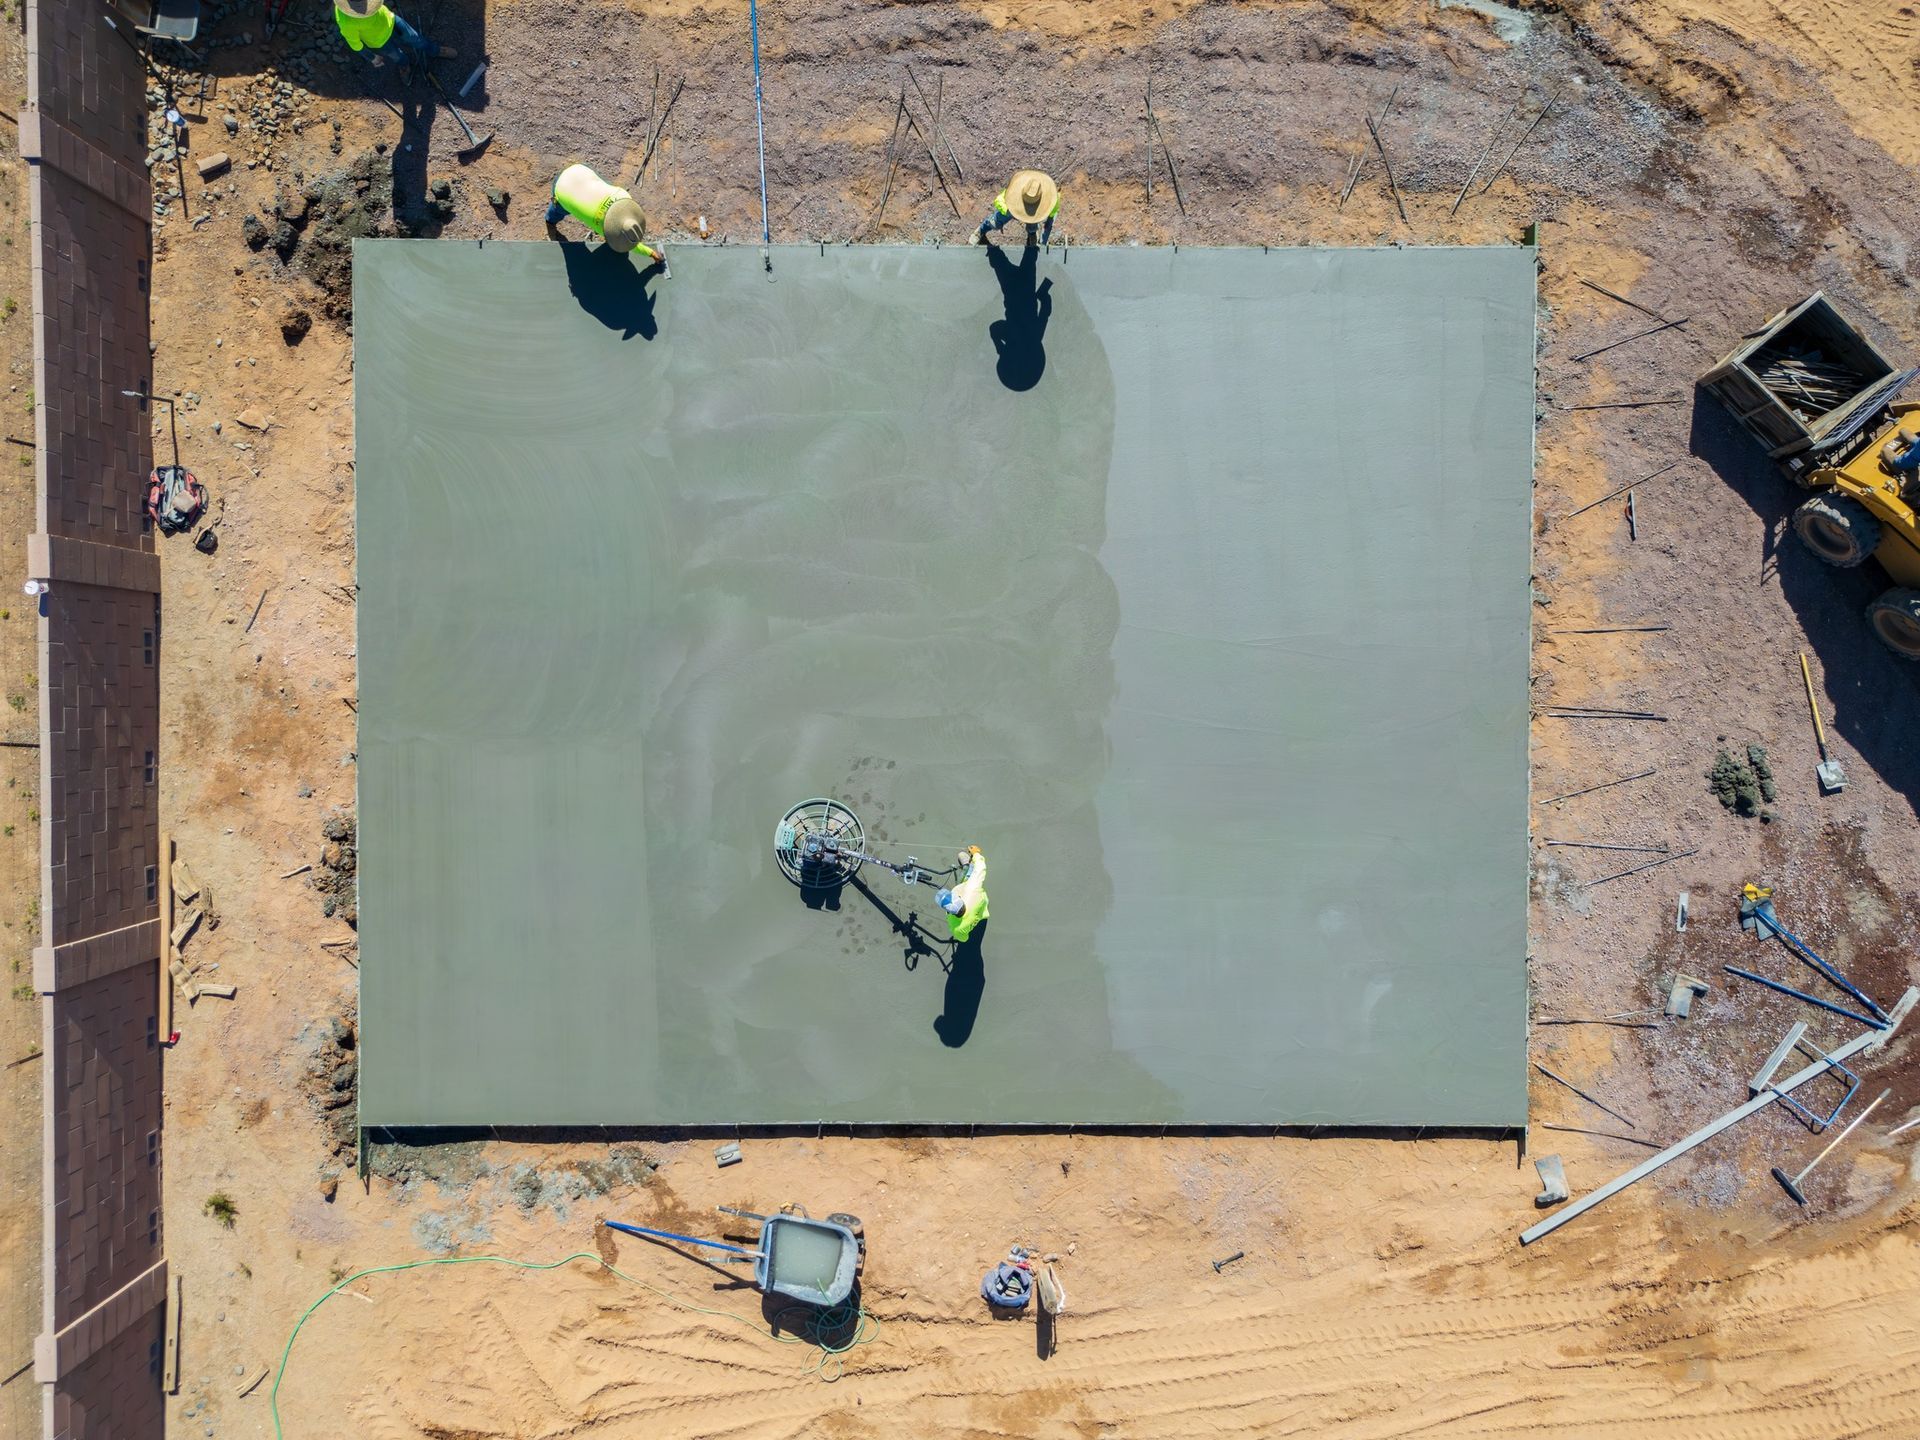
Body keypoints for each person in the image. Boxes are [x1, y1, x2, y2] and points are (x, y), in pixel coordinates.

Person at [545, 164, 670, 274]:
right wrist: (652, 253)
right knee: (557, 210)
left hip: (581, 171)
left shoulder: (625, 197)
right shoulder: (601, 226)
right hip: (562, 187)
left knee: (602, 184)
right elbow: (634, 247)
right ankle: (550, 222)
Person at [332, 0, 452, 70]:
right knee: (397, 56)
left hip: (391, 20)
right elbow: (355, 44)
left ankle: (435, 50)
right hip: (380, 41)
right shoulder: (346, 22)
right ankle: (405, 67)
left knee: (416, 38)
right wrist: (372, 58)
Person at [970, 170, 1059, 247]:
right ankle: (980, 231)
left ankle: (1032, 234)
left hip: (1034, 213)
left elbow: (1050, 220)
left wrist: (1045, 235)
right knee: (995, 222)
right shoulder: (1015, 191)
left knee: (1032, 226)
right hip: (1012, 208)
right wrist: (1005, 210)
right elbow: (999, 200)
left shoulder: (1052, 199)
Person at [936, 845, 989, 944]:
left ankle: (967, 867)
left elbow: (964, 939)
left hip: (979, 918)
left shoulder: (956, 928)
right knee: (970, 874)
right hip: (982, 908)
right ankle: (968, 866)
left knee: (960, 884)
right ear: (959, 898)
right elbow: (981, 867)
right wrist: (976, 854)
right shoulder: (972, 890)